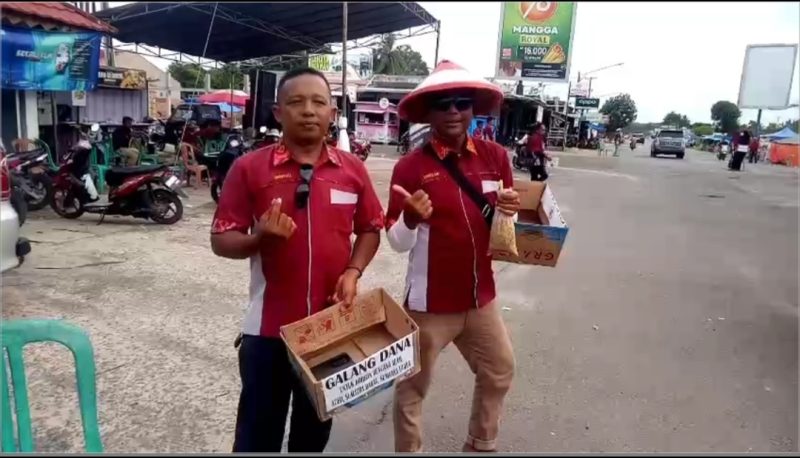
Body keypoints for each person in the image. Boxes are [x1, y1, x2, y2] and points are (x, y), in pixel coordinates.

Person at [210, 67, 384, 453]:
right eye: (296, 102)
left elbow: (371, 227)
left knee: (313, 436)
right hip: (267, 333)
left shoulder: (352, 170)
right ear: (277, 112)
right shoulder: (249, 168)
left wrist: (353, 271)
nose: (308, 110)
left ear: (332, 113)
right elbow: (221, 239)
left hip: (329, 330)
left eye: (318, 102)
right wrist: (258, 239)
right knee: (257, 437)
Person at [386, 60, 520, 453]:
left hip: (481, 298)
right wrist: (410, 218)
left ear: (473, 108)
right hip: (429, 304)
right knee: (412, 385)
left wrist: (510, 210)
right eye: (442, 104)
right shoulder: (409, 167)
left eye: (462, 103)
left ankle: (480, 445)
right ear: (428, 112)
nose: (453, 112)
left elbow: (504, 223)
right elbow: (396, 242)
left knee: (499, 369)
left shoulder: (496, 157)